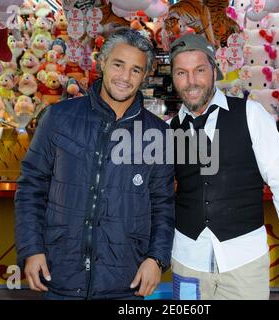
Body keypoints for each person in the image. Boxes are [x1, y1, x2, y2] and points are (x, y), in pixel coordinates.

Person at [15, 28, 175, 300]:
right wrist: (31, 249)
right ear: (102, 62)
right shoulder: (58, 118)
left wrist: (156, 259)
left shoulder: (157, 134)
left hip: (125, 279)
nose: (125, 77)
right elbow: (31, 187)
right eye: (118, 65)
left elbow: (162, 202)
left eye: (136, 70)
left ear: (145, 76)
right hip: (60, 274)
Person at [168, 34, 279, 300]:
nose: (191, 81)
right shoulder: (169, 129)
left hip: (243, 264)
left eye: (199, 70)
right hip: (187, 260)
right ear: (174, 78)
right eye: (181, 72)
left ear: (214, 71)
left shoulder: (251, 113)